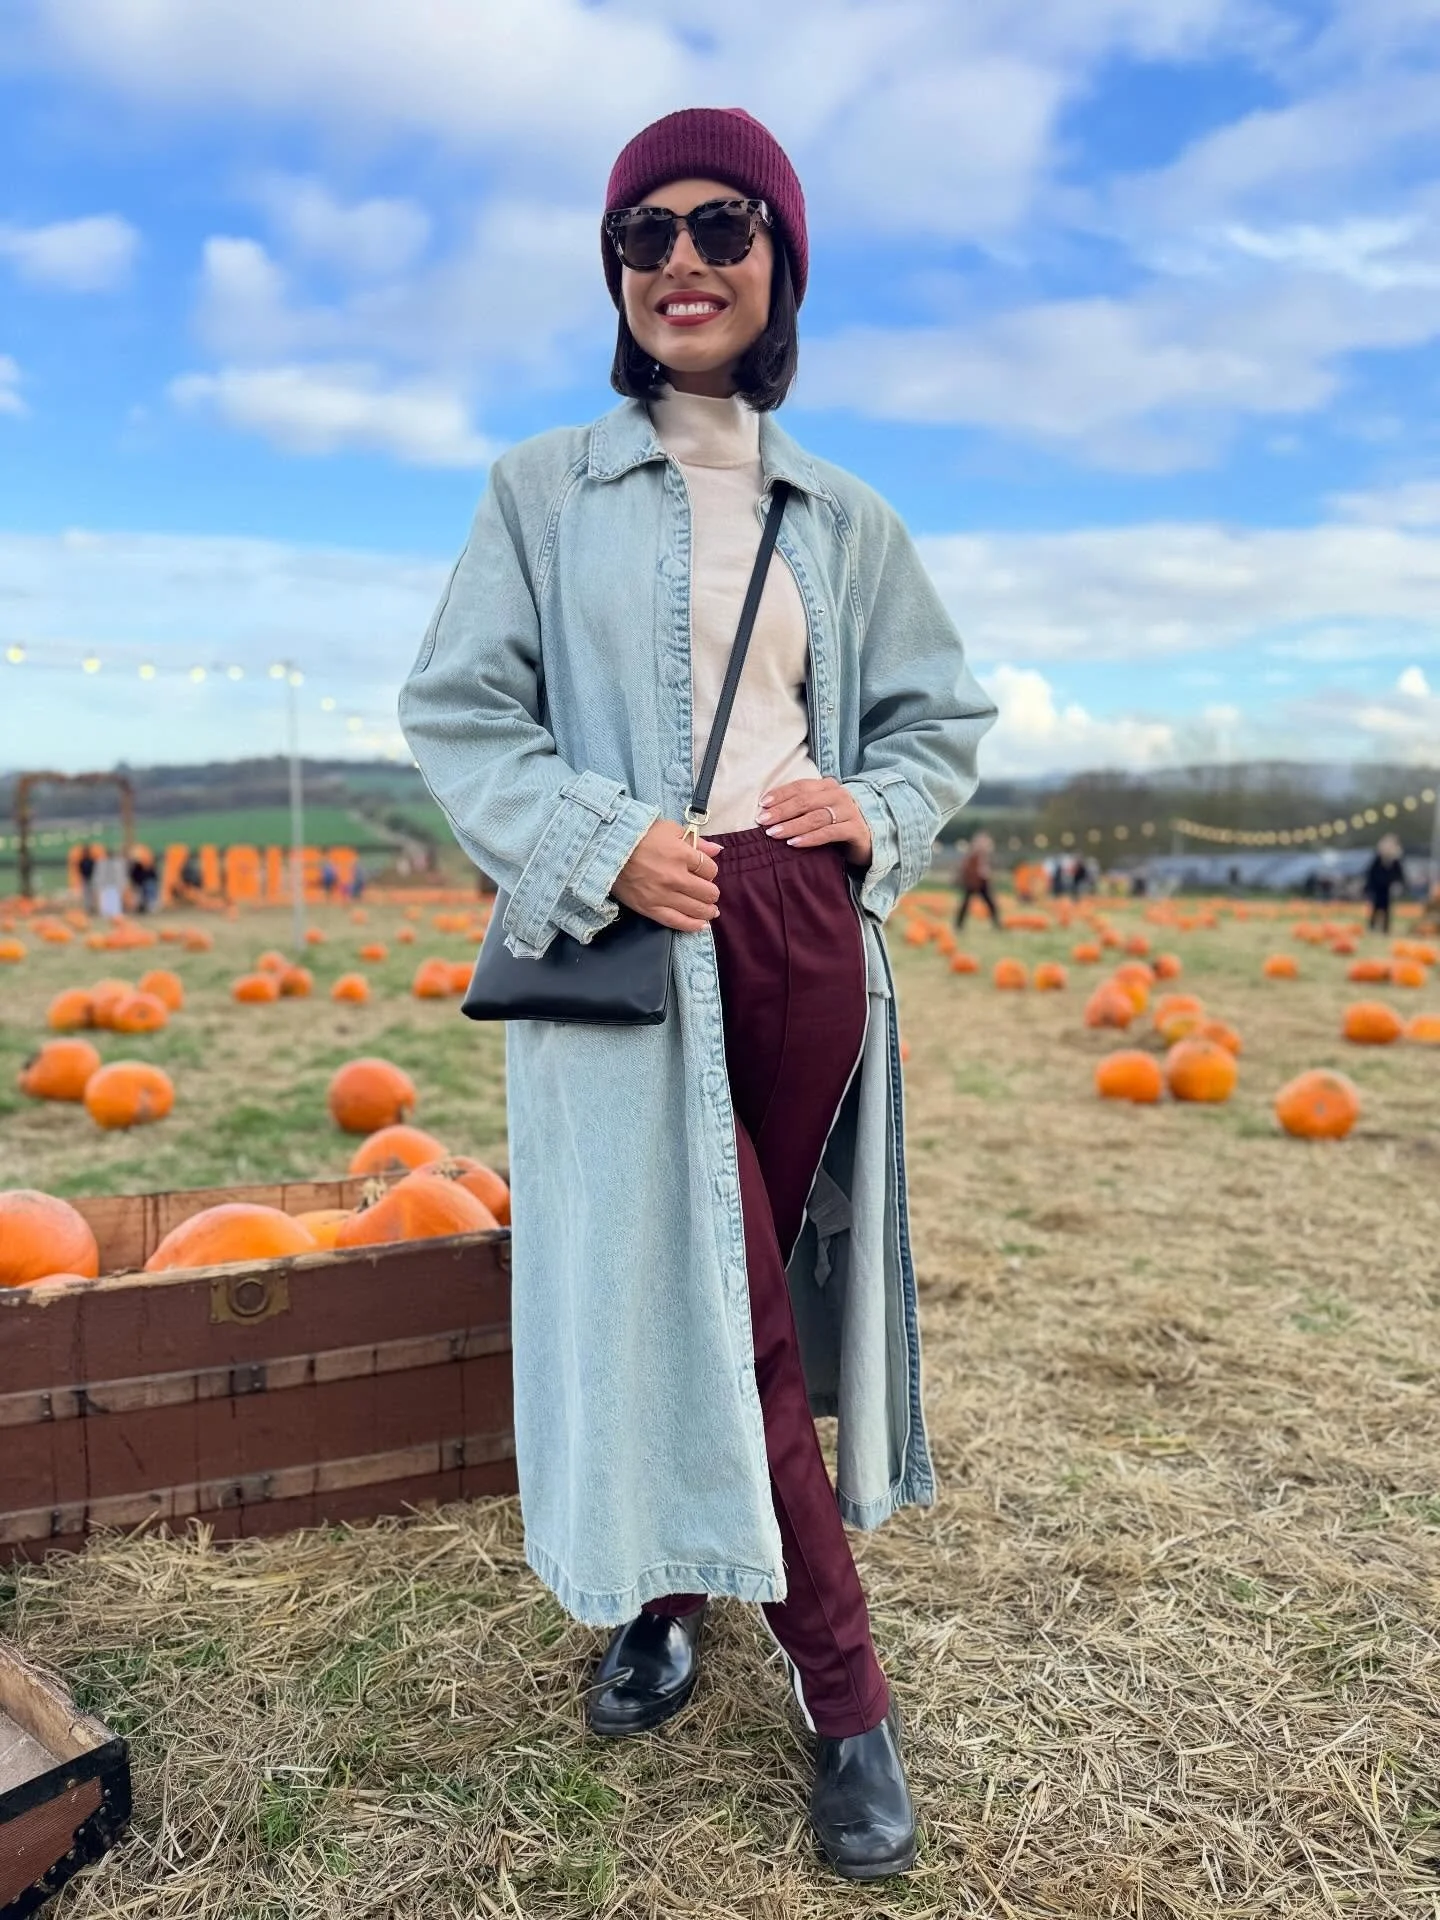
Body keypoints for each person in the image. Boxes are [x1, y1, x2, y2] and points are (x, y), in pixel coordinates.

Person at [397, 106, 997, 1882]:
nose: (680, 260)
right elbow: (459, 710)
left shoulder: (848, 517)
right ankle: (843, 1687)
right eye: (643, 232)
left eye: (723, 227)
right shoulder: (540, 493)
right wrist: (599, 837)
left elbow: (941, 718)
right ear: (615, 273)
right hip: (630, 935)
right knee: (712, 1294)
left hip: (802, 933)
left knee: (733, 1289)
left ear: (778, 264)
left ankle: (673, 1589)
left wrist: (873, 809)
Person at [954, 829, 999, 929]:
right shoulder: (972, 857)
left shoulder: (982, 857)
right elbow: (965, 869)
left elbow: (985, 870)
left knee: (990, 903)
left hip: (981, 881)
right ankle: (959, 925)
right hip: (973, 881)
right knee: (966, 904)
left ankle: (996, 923)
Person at [1363, 834, 1407, 933]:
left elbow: (1399, 875)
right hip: (1377, 888)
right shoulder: (1377, 860)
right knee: (1375, 907)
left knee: (1387, 909)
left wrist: (1398, 884)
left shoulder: (1395, 862)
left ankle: (1385, 928)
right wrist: (1369, 888)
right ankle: (1372, 926)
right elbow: (1370, 875)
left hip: (1388, 889)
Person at [76, 844, 97, 915]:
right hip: (85, 878)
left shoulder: (91, 861)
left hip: (91, 878)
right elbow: (80, 870)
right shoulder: (82, 861)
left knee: (91, 893)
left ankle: (92, 907)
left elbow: (94, 869)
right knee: (86, 894)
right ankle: (87, 907)